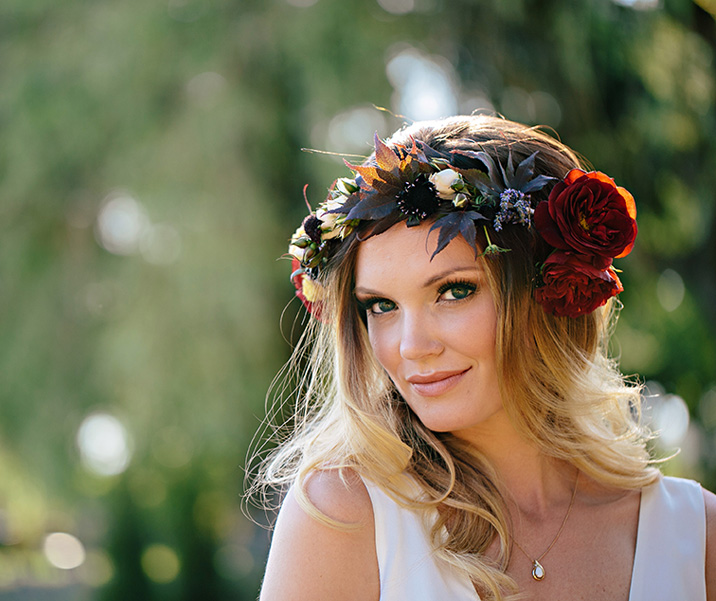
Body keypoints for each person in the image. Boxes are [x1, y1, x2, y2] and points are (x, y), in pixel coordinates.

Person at [250, 115, 716, 600]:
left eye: (454, 291)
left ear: (552, 291)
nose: (411, 346)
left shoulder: (697, 538)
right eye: (381, 305)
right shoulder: (343, 517)